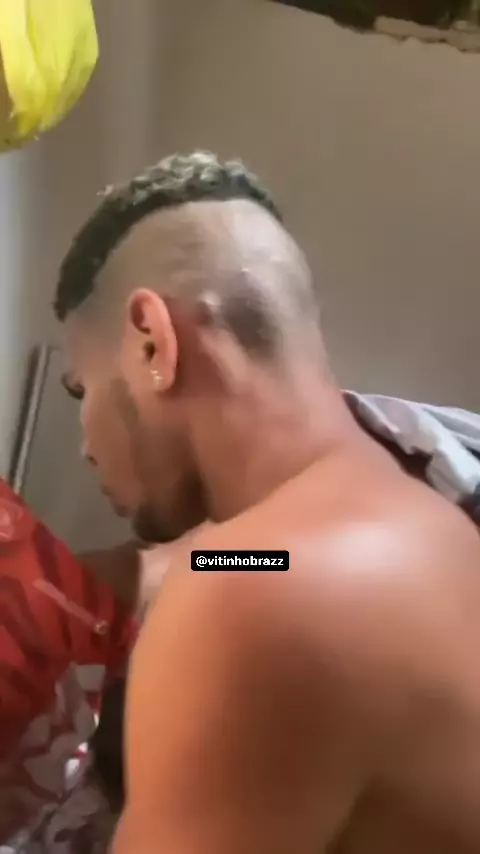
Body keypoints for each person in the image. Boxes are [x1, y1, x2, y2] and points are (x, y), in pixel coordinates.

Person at [54, 151, 480, 853]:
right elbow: (246, 558)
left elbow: (254, 585)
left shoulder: (247, 601)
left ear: (152, 343)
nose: (84, 445)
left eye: (81, 388)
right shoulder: (415, 511)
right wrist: (79, 580)